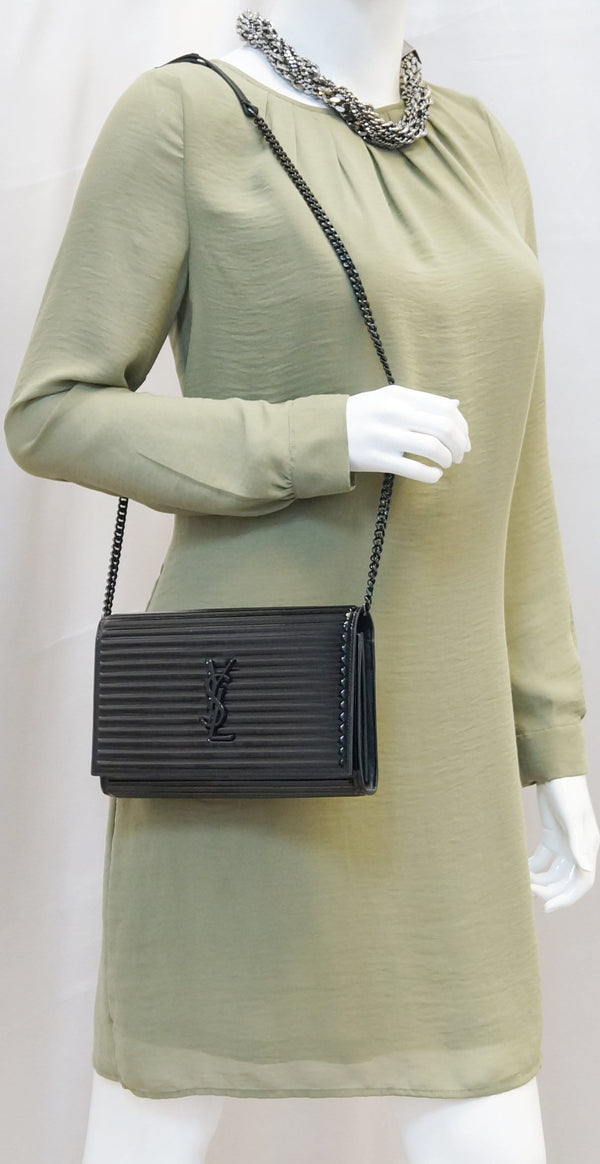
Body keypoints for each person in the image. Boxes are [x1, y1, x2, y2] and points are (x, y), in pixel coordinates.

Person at [4, 3, 598, 1162]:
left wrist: (552, 735)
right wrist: (316, 437)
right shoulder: (183, 116)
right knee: (168, 1090)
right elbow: (51, 411)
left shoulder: (478, 144)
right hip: (248, 728)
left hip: (448, 752)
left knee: (481, 1087)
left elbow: (517, 471)